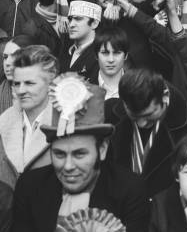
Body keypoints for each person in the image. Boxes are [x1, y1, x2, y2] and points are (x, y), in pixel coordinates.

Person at [11, 73, 149, 232]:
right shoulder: (29, 187)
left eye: (79, 154)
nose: (68, 166)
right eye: (59, 154)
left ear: (102, 150)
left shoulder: (130, 191)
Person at [109, 67, 187, 198]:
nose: (141, 124)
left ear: (165, 96)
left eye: (149, 115)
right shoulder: (109, 117)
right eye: (134, 116)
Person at [0, 45, 58, 188]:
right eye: (17, 84)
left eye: (29, 83)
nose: (21, 90)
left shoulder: (65, 123)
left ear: (50, 83)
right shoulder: (4, 122)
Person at [0, 35, 35, 190]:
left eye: (15, 56)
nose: (8, 63)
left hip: (36, 187)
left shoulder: (47, 98)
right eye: (4, 57)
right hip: (0, 189)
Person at [60, 0, 102, 82]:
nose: (71, 24)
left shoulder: (103, 54)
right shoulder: (65, 50)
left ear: (94, 23)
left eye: (78, 19)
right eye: (70, 19)